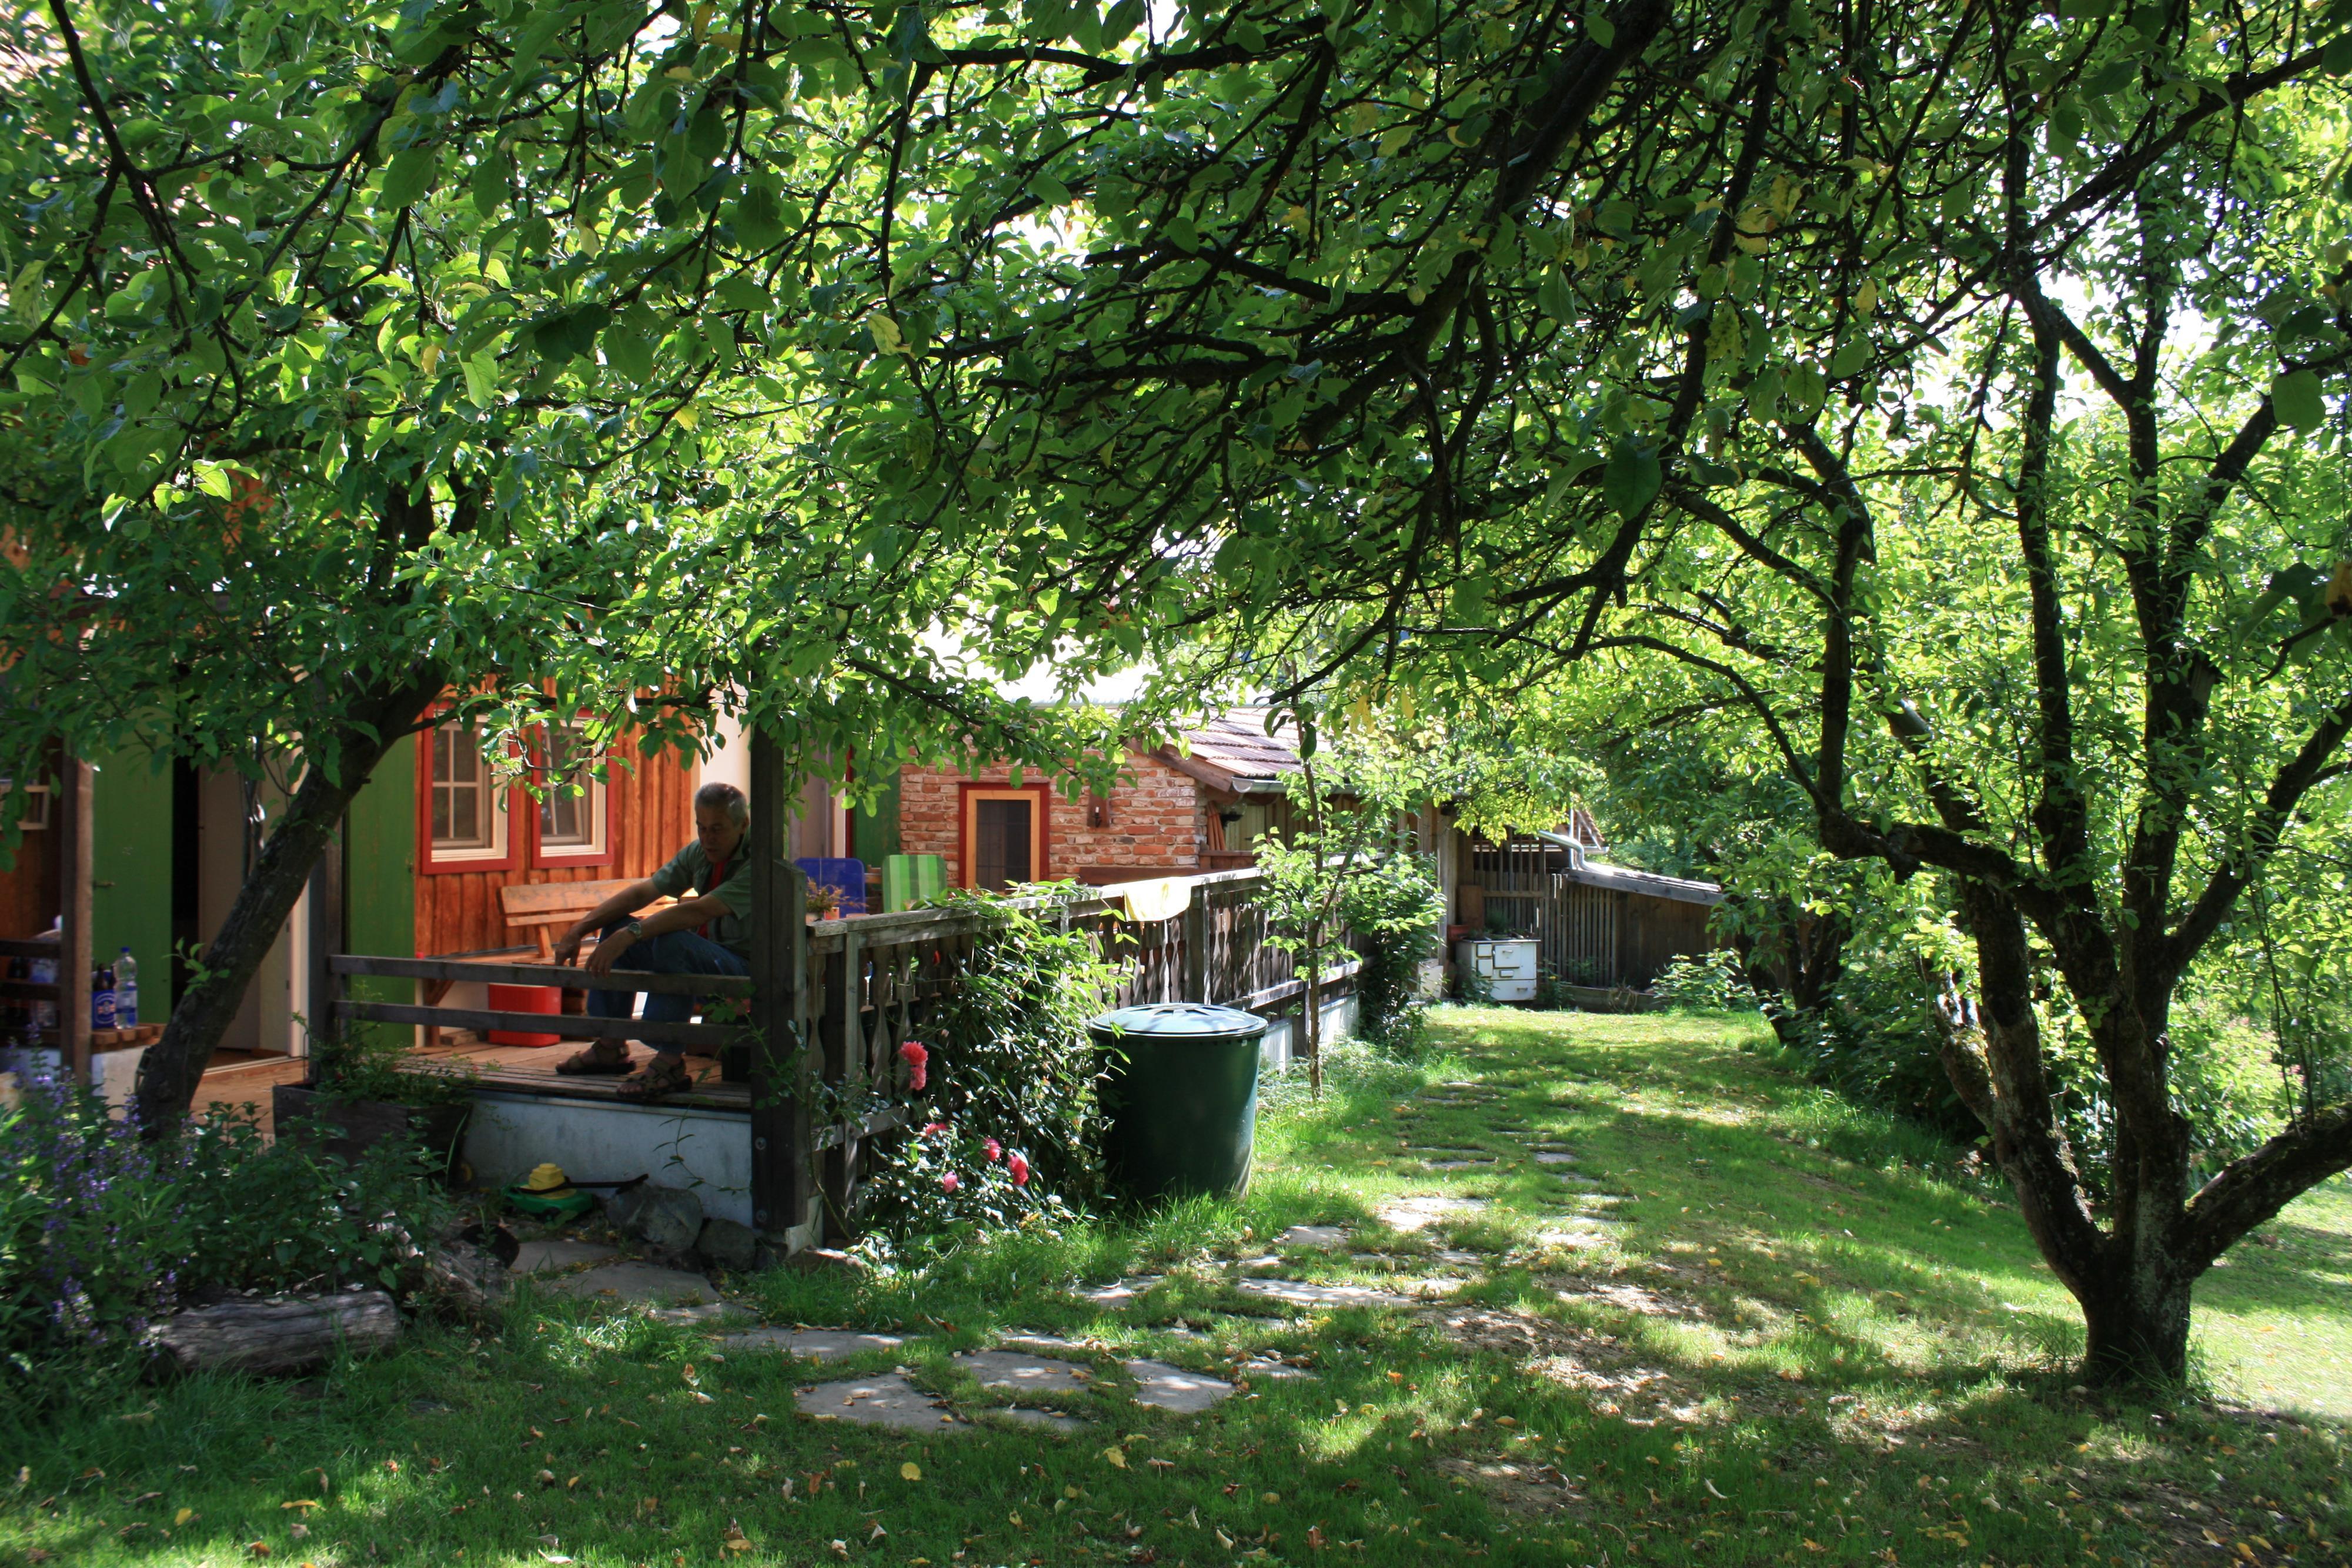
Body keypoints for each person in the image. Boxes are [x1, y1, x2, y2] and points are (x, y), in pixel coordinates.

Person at [550, 781, 755, 1101]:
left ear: (743, 824)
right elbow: (643, 892)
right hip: (710, 959)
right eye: (701, 827)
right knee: (616, 925)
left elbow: (699, 911)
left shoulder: (760, 863)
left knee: (671, 942)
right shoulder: (698, 852)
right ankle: (610, 1046)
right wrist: (579, 930)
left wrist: (631, 935)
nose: (707, 838)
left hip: (747, 973)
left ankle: (670, 1063)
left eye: (717, 829)